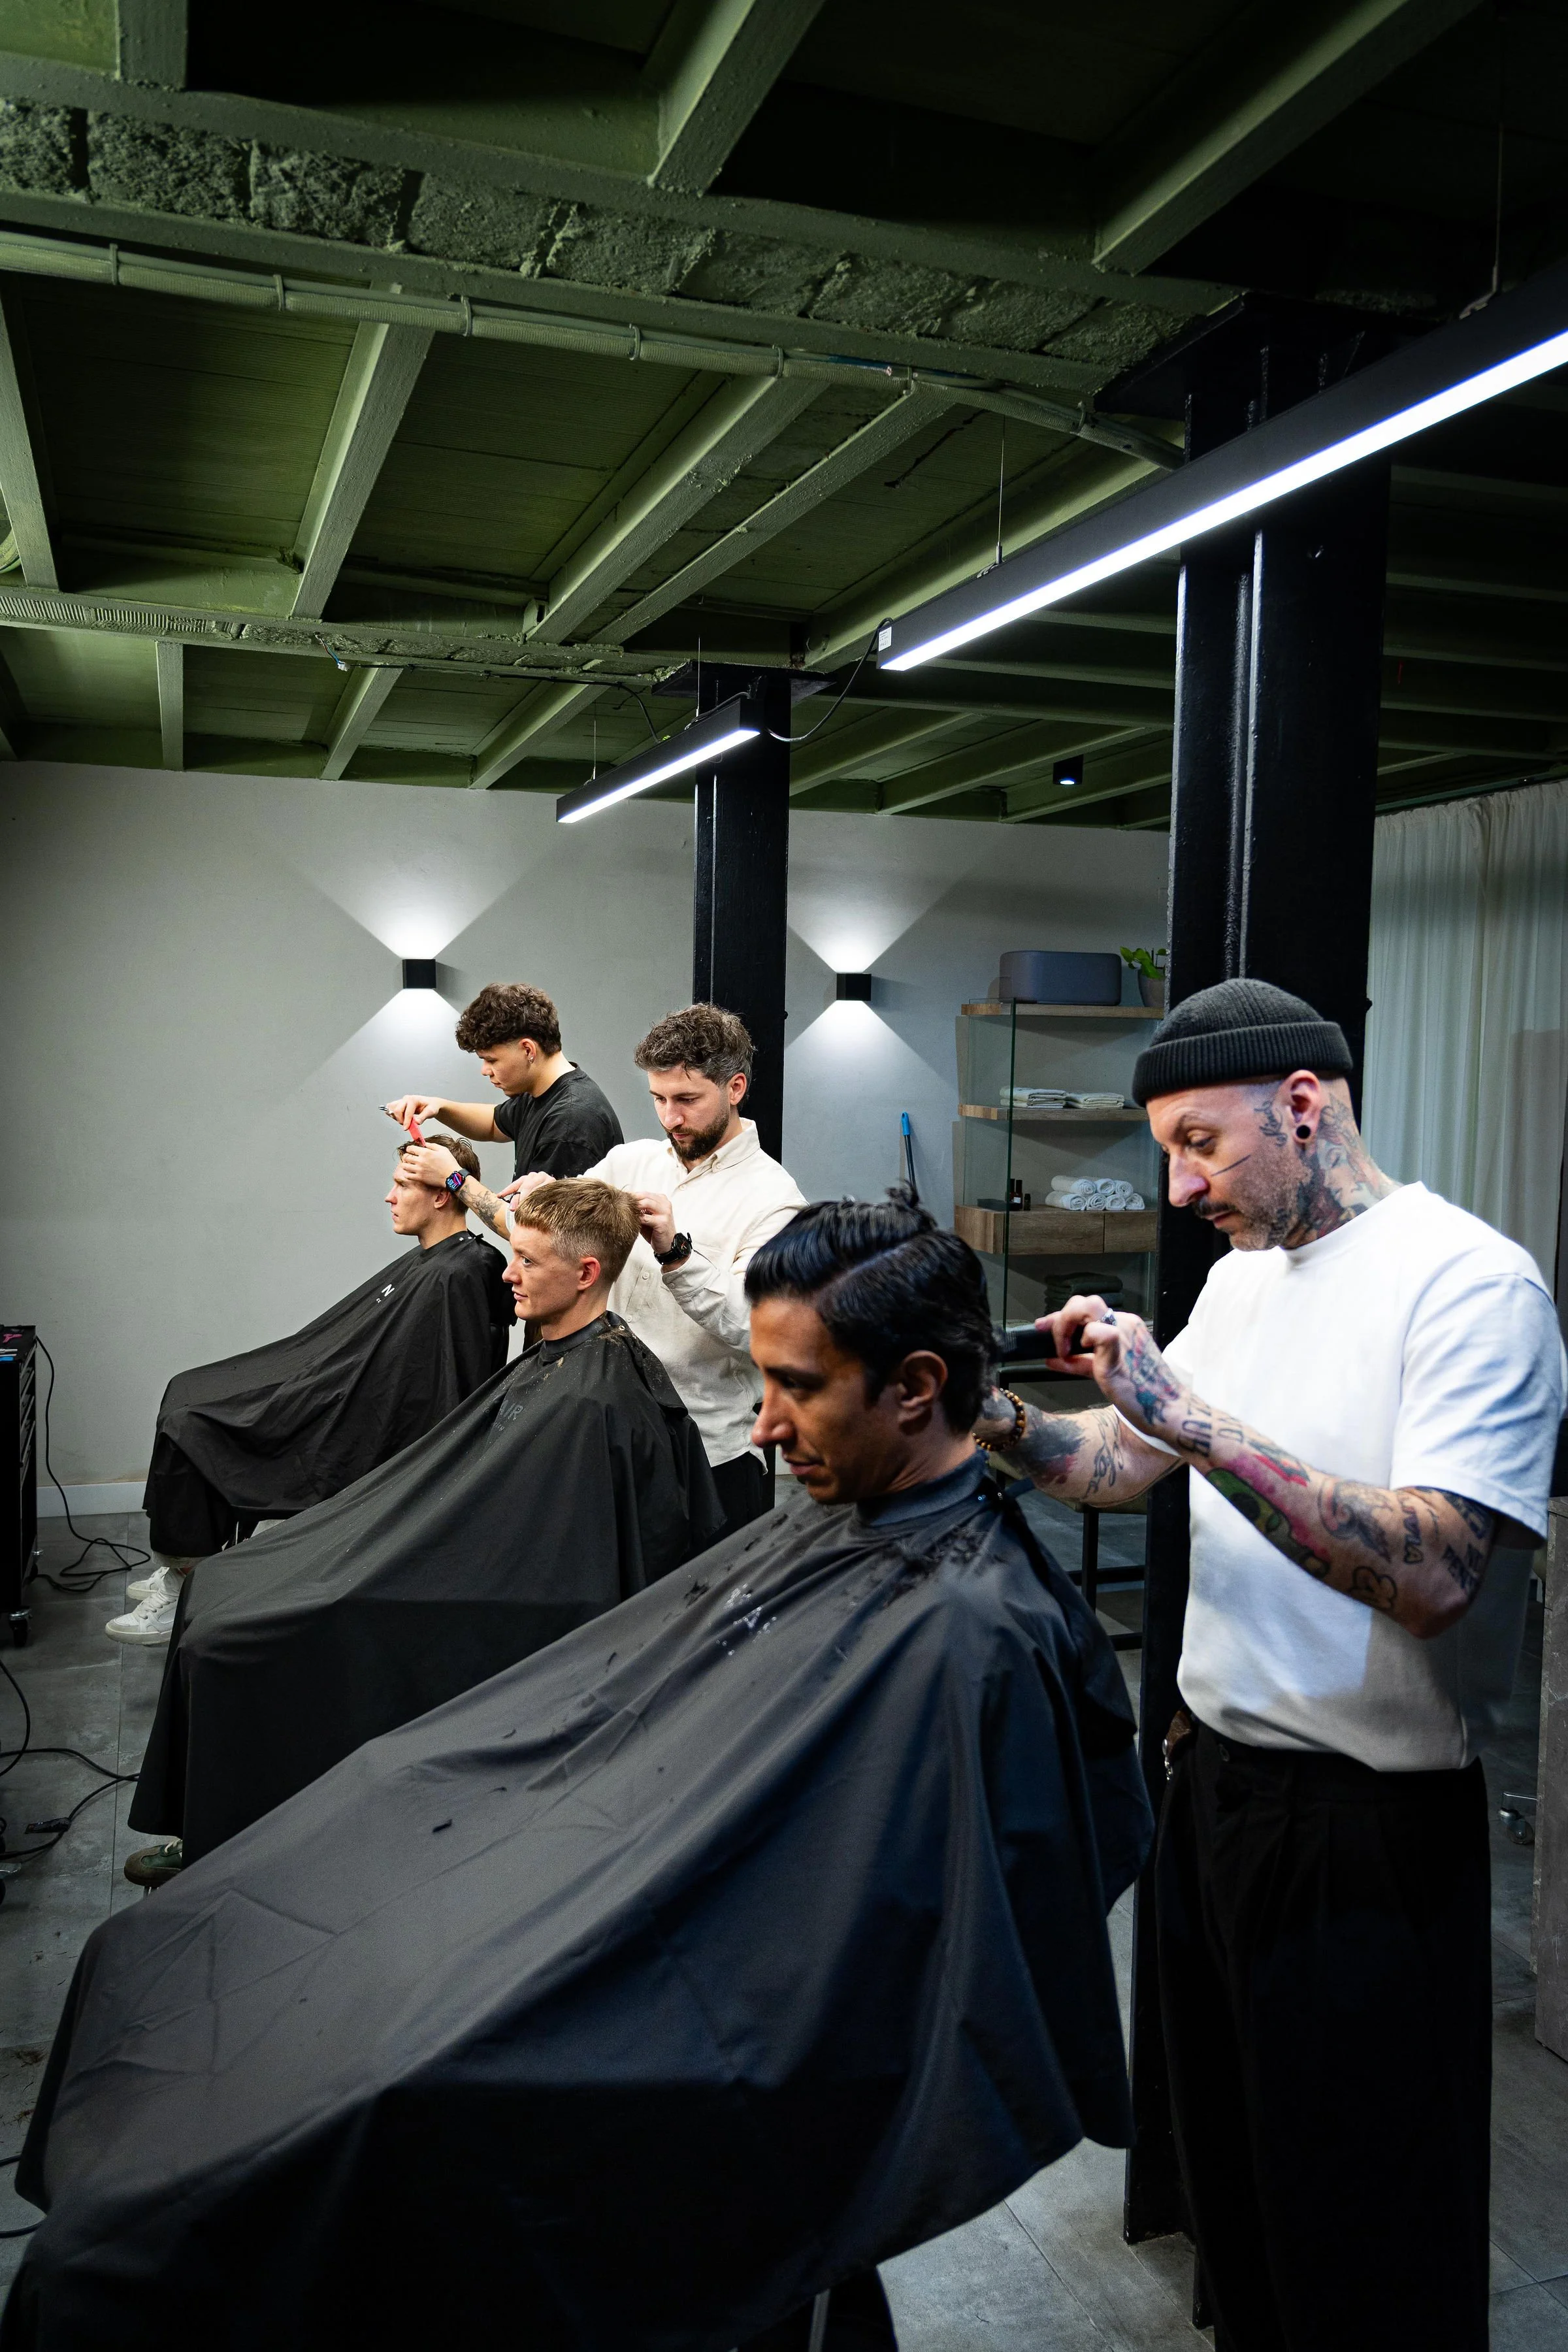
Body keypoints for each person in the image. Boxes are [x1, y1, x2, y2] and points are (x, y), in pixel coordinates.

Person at [10, 1199, 1151, 2352]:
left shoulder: (971, 1634)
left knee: (188, 2206)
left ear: (913, 1387)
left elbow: (836, 1991)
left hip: (683, 2041)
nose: (760, 1429)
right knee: (167, 1944)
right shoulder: (853, 1519)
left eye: (796, 1387)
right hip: (588, 1886)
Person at [971, 977, 1567, 2352]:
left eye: (1199, 1145)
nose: (1178, 1190)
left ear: (1303, 1107)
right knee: (1240, 2192)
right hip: (1215, 1795)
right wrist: (993, 1411)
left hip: (1365, 1834)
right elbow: (1127, 1464)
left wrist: (1197, 1417)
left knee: (1361, 2218)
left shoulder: (1471, 1286)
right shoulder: (1243, 1281)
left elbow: (1435, 1573)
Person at [124, 1180, 721, 1874]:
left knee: (228, 1640)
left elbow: (554, 1564)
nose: (507, 1274)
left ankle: (225, 1843)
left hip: (479, 1600)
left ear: (586, 1273)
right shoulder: (565, 1357)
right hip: (446, 1554)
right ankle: (210, 1823)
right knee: (220, 1582)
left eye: (527, 1261)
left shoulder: (594, 1400)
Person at [109, 1135, 512, 1648]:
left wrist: (299, 1396)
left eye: (401, 1185)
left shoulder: (454, 1274)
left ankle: (185, 1578)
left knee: (194, 1423)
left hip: (349, 1419)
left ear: (439, 1196)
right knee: (188, 1389)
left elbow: (426, 1391)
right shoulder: (438, 1261)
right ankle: (191, 1559)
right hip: (334, 1389)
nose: (389, 1197)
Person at [536, 1002, 804, 1537]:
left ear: (734, 1088)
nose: (670, 1117)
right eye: (659, 1099)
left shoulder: (775, 1200)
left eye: (687, 1099)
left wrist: (676, 1253)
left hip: (709, 1458)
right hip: (611, 1435)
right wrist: (535, 1203)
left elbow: (757, 1326)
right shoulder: (629, 1163)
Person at [388, 981, 622, 1241]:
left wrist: (453, 1177)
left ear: (527, 1050)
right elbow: (492, 1123)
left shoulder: (571, 1121)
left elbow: (531, 1232)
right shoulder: (540, 1094)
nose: (485, 1070)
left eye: (491, 1060)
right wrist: (438, 1107)